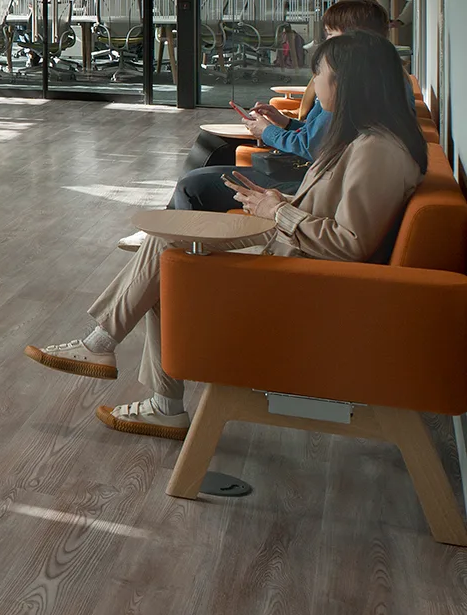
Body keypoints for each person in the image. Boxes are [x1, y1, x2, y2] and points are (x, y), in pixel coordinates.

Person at [27, 31, 427, 439]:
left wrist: (280, 211)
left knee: (169, 256)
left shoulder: (377, 150)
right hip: (296, 251)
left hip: (306, 278)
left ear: (347, 80)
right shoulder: (367, 139)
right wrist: (274, 203)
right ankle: (118, 360)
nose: (315, 81)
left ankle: (121, 362)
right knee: (169, 242)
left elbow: (350, 245)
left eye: (320, 71)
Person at [163, 0, 393, 213]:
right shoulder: (376, 80)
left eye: (331, 35)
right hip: (312, 172)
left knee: (192, 183)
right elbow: (320, 135)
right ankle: (171, 228)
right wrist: (284, 123)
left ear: (353, 39)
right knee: (208, 148)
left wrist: (268, 131)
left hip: (306, 177)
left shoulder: (349, 86)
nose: (325, 43)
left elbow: (312, 146)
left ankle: (174, 235)